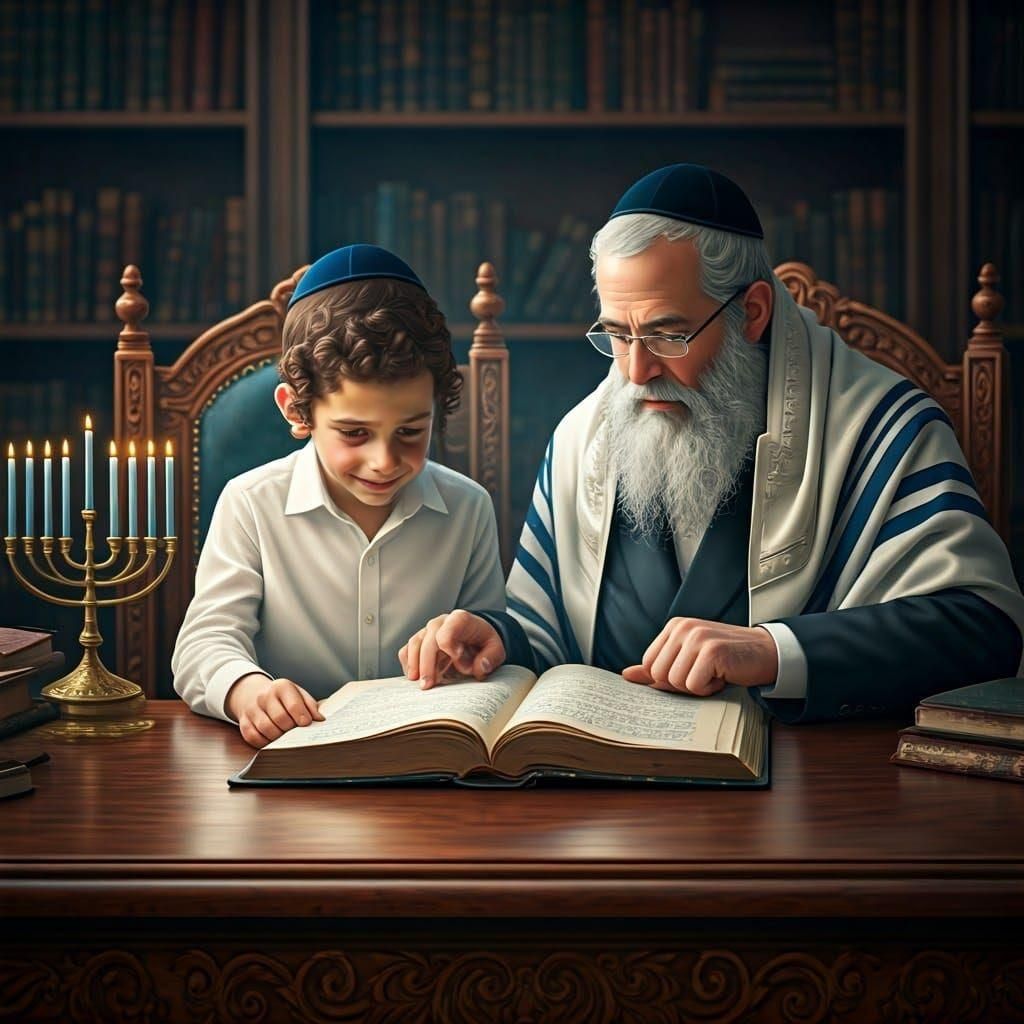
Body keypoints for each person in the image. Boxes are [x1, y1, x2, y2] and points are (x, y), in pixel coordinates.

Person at [400, 164, 1024, 723]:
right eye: (617, 335)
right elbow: (552, 631)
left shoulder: (879, 425)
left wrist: (776, 650)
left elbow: (983, 628)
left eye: (669, 335)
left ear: (751, 312)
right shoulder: (581, 439)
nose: (636, 372)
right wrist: (495, 634)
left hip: (817, 799)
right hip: (606, 804)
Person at [172, 244, 505, 746]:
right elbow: (204, 643)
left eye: (412, 431)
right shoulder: (250, 504)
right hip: (288, 757)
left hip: (426, 760)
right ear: (296, 411)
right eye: (354, 433)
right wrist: (247, 691)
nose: (385, 461)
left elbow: (486, 642)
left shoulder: (469, 508)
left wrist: (470, 645)